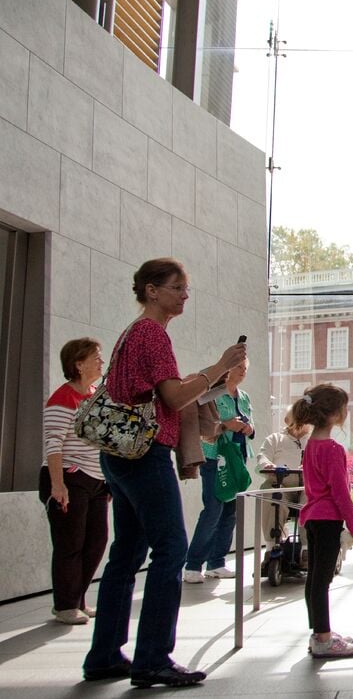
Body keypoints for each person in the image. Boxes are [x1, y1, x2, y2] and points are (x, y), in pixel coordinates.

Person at [83, 258, 246, 688]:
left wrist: (213, 378)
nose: (185, 295)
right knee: (171, 548)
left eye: (186, 288)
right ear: (152, 290)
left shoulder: (133, 334)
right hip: (145, 455)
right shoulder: (152, 335)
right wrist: (218, 366)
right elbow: (173, 398)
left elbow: (163, 394)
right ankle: (153, 658)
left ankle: (104, 655)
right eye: (178, 287)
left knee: (127, 553)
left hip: (121, 456)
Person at [39, 338, 108, 625]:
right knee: (71, 543)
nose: (101, 362)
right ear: (78, 364)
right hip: (68, 477)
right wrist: (58, 486)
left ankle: (78, 598)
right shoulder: (62, 398)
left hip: (95, 480)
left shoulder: (94, 395)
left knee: (96, 541)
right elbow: (53, 444)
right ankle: (66, 605)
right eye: (96, 357)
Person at [294, 384, 353, 659]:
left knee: (314, 579)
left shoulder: (311, 445)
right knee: (322, 580)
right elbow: (340, 493)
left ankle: (318, 633)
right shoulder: (333, 449)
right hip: (327, 519)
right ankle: (323, 638)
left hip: (312, 518)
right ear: (335, 414)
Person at [184, 359, 254, 583]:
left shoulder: (244, 397)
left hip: (236, 457)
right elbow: (204, 425)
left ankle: (217, 562)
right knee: (213, 508)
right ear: (227, 369)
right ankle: (193, 565)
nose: (242, 372)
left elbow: (251, 425)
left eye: (245, 369)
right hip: (214, 455)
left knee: (230, 512)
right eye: (238, 367)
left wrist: (249, 428)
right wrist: (226, 424)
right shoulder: (213, 394)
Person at [257, 410, 311, 559]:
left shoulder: (314, 440)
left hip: (306, 485)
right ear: (288, 420)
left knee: (312, 495)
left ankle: (306, 548)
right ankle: (270, 547)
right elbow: (263, 457)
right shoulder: (275, 439)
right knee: (270, 492)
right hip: (281, 483)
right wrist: (268, 465)